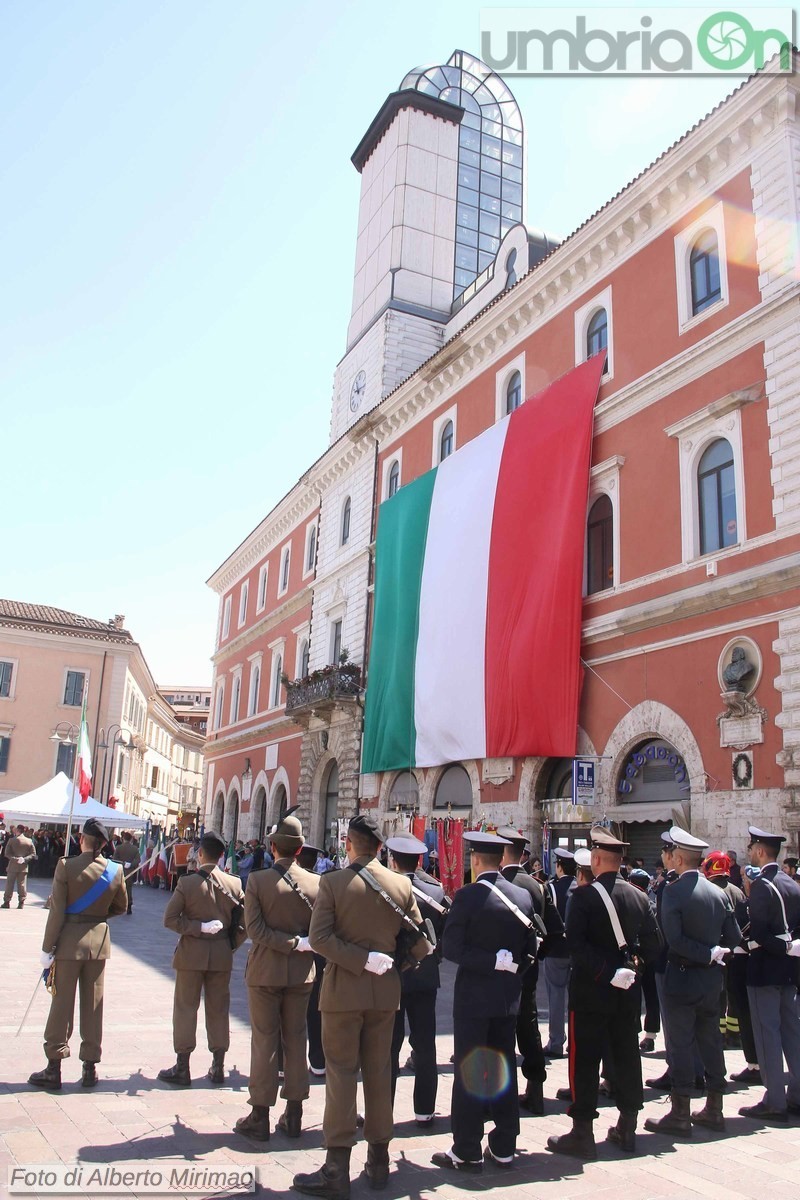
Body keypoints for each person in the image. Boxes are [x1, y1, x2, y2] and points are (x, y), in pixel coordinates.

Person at [293, 814, 428, 1199]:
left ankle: (336, 1167)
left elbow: (318, 938)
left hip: (342, 993)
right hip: (385, 993)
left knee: (340, 1075)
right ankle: (379, 1161)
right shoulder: (401, 885)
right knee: (379, 1073)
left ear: (348, 844)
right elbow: (420, 943)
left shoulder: (332, 883)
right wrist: (386, 964)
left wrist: (358, 959)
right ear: (381, 848)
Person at [547, 827, 662, 1160]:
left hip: (589, 992)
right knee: (626, 1056)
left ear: (596, 860)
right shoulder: (641, 896)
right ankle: (628, 1127)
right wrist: (632, 968)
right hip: (627, 994)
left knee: (583, 1060)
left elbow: (577, 948)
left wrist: (606, 973)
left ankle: (582, 1131)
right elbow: (655, 946)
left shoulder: (581, 897)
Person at [432, 831, 537, 1173]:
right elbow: (532, 949)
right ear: (502, 859)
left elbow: (452, 949)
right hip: (507, 999)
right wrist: (511, 965)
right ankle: (505, 1144)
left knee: (470, 1072)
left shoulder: (468, 896)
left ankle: (466, 1148)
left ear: (476, 860)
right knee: (504, 1070)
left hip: (474, 1000)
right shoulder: (522, 897)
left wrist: (490, 960)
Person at [644, 827, 740, 1138]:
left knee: (680, 1043)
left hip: (683, 976)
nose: (663, 856)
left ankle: (681, 1111)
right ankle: (714, 1107)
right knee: (711, 1040)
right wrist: (714, 953)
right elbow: (735, 938)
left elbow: (674, 940)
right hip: (711, 980)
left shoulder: (672, 892)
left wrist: (706, 952)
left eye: (667, 852)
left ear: (678, 858)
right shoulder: (718, 892)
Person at [234, 811, 320, 1142]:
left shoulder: (257, 880)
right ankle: (295, 1112)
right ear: (299, 849)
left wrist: (288, 943)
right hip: (301, 973)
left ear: (272, 847)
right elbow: (318, 932)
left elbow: (254, 930)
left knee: (265, 1040)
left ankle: (260, 1114)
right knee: (297, 1039)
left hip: (266, 970)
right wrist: (300, 943)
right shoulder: (316, 883)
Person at [28, 818, 127, 1090]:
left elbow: (57, 912)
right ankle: (90, 1067)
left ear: (82, 839)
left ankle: (54, 1067)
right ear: (105, 844)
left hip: (70, 942)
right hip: (99, 944)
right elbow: (121, 906)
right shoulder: (115, 870)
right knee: (93, 1005)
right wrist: (95, 917)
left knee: (61, 1005)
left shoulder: (66, 866)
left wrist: (47, 949)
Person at [158, 830, 246, 1088]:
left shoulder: (187, 883)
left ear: (200, 853)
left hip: (191, 954)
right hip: (221, 955)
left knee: (186, 1008)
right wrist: (230, 945)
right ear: (221, 856)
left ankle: (182, 1066)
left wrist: (197, 928)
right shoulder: (234, 884)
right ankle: (218, 1066)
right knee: (218, 1010)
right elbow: (244, 926)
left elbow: (170, 919)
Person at [497, 825, 563, 1114]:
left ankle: (501, 1092)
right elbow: (556, 931)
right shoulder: (539, 886)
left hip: (498, 971)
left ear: (502, 852)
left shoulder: (496, 883)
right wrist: (537, 956)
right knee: (529, 1025)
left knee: (499, 1029)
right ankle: (535, 1088)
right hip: (528, 969)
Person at [739, 825, 800, 1123]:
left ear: (761, 851)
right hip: (790, 971)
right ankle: (797, 1095)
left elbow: (760, 932)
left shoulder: (763, 885)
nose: (751, 853)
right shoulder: (791, 883)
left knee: (768, 1036)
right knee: (792, 1033)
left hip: (765, 969)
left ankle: (775, 1100)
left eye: (752, 848)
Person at [386, 834, 447, 1128]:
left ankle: (383, 1108)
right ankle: (425, 1110)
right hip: (425, 974)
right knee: (425, 1045)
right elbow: (443, 933)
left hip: (393, 975)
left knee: (389, 1047)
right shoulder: (435, 891)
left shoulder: (386, 889)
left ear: (393, 861)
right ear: (419, 861)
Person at [296, 843, 328, 1077]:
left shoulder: (284, 881)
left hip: (290, 954)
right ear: (315, 861)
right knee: (316, 1010)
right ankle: (318, 1061)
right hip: (319, 956)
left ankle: (282, 1066)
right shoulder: (325, 884)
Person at [542, 847, 576, 1057]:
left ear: (560, 867)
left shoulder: (551, 888)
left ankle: (556, 1042)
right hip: (576, 949)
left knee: (556, 994)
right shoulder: (581, 887)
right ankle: (575, 1040)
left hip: (555, 949)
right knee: (575, 998)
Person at [3, 824, 37, 908]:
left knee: (9, 884)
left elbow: (7, 853)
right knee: (22, 885)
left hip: (13, 865)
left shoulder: (12, 840)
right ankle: (21, 902)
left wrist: (15, 858)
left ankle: (7, 902)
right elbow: (33, 854)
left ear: (17, 830)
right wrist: (24, 859)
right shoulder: (29, 841)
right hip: (23, 866)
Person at [111, 831, 140, 914]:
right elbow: (138, 860)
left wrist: (123, 863)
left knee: (117, 888)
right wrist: (130, 864)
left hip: (120, 870)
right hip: (130, 871)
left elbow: (114, 859)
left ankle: (117, 905)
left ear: (123, 838)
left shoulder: (119, 848)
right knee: (128, 888)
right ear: (131, 839)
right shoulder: (134, 848)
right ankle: (129, 905)